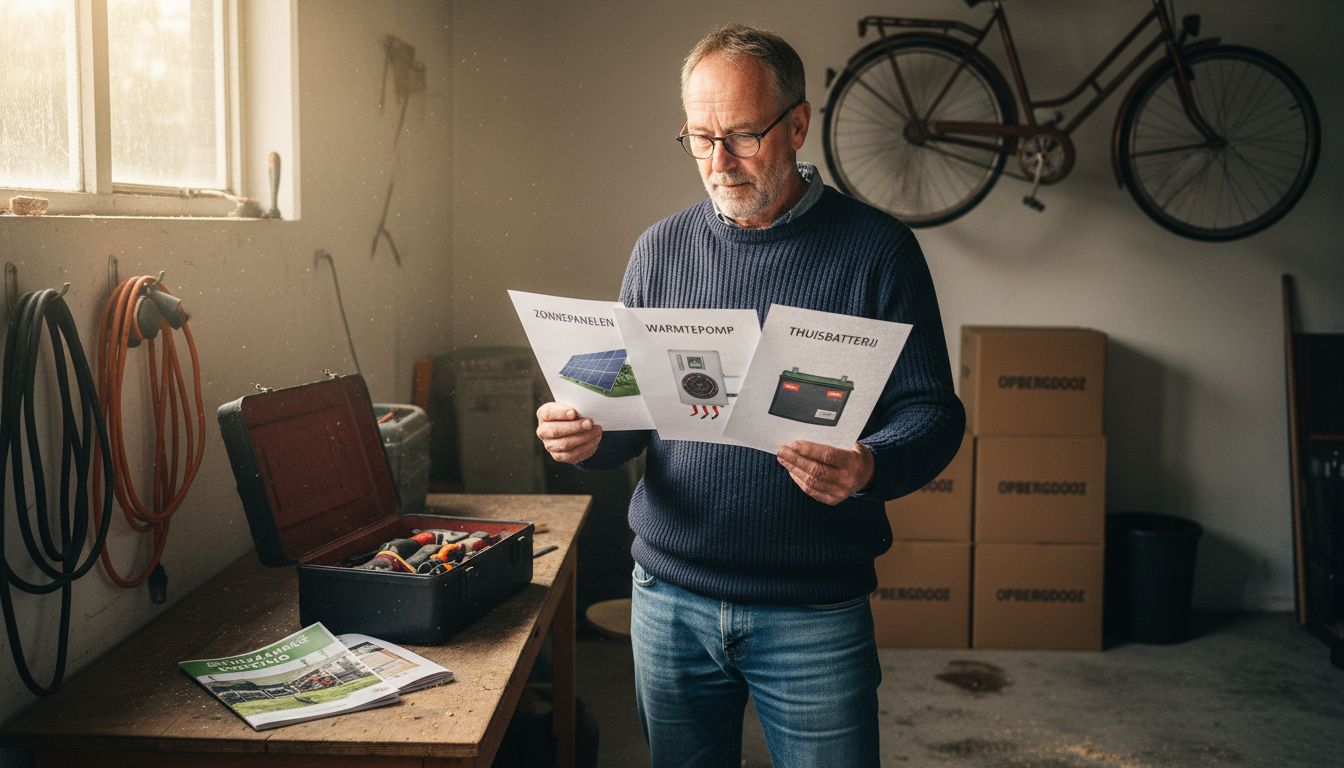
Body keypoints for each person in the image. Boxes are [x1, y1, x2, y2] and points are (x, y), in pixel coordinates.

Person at [534, 23, 964, 768]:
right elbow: (635, 417)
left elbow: (932, 413)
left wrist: (869, 465)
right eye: (699, 139)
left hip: (813, 611)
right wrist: (590, 436)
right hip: (669, 598)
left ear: (797, 125)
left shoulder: (879, 251)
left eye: (740, 136)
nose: (718, 162)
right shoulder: (660, 251)